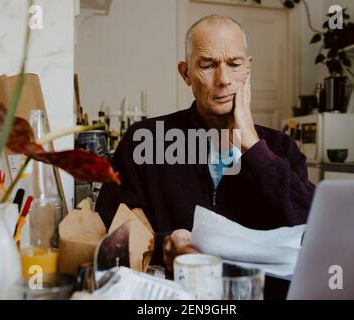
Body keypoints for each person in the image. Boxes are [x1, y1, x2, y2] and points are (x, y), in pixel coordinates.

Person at [96, 15, 315, 273]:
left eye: (234, 64)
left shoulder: (281, 148)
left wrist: (254, 148)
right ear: (186, 73)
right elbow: (107, 228)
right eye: (208, 65)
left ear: (248, 69)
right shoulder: (142, 140)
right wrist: (162, 246)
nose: (223, 79)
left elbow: (310, 227)